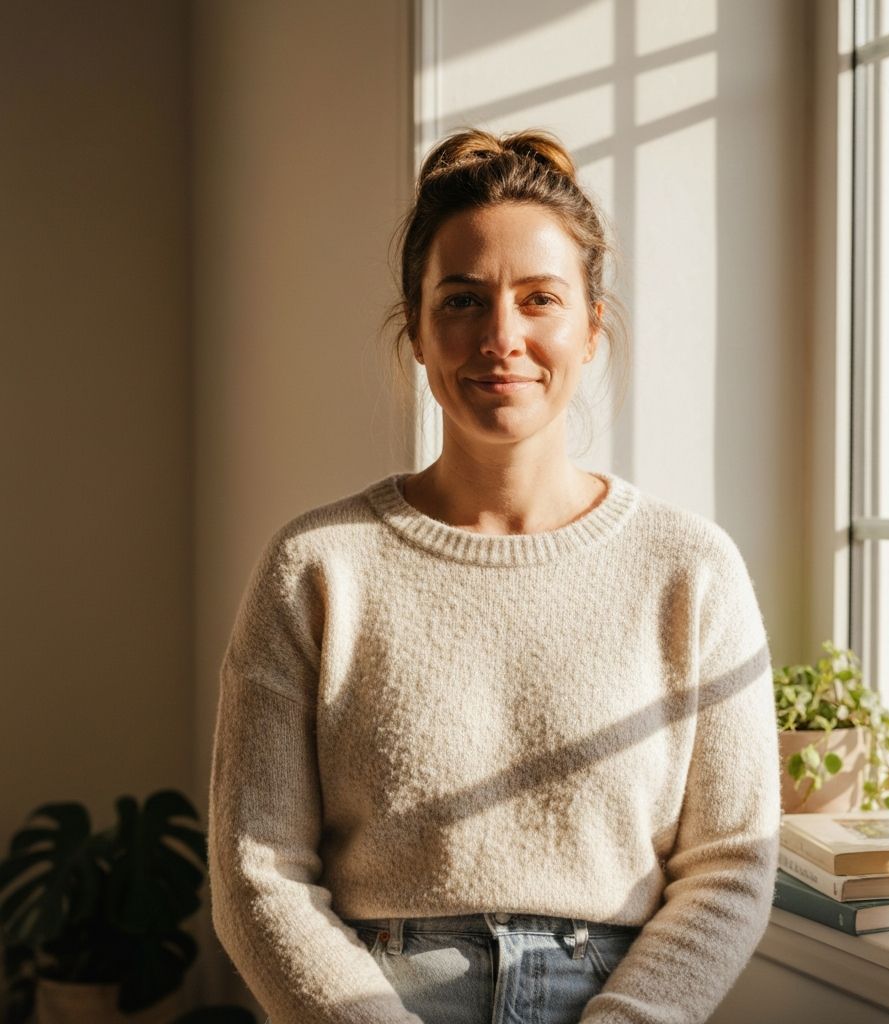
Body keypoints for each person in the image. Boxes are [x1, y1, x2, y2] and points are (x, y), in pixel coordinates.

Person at [208, 128, 780, 1024]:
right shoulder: (317, 567)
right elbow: (258, 874)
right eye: (464, 302)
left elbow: (733, 860)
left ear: (591, 328)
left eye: (539, 299)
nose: (501, 338)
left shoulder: (691, 568)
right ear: (419, 336)